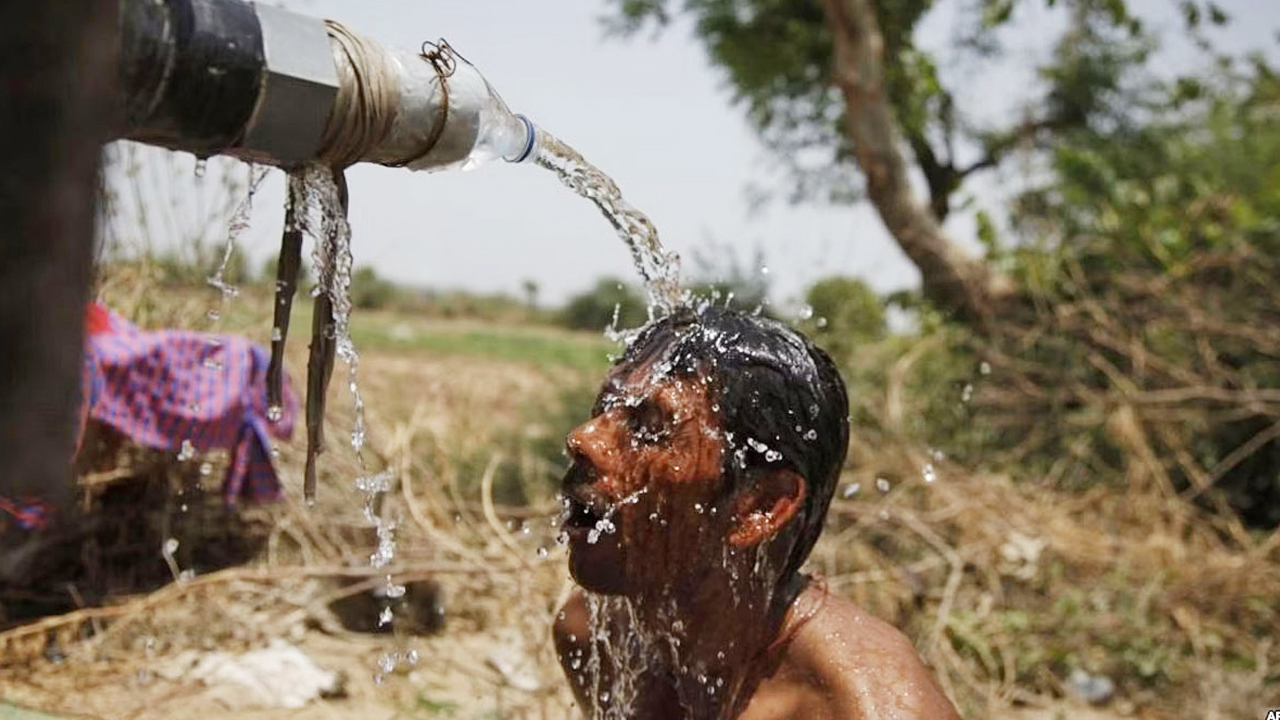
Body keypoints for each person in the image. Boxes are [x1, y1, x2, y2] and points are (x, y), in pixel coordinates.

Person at [553, 306, 960, 720]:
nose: (583, 439)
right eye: (606, 408)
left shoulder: (867, 705)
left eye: (652, 426)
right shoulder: (596, 635)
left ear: (759, 507)